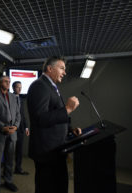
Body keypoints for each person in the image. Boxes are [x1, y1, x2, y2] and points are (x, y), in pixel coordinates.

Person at [27, 56, 81, 193]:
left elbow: (55, 115)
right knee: (47, 187)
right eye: (62, 68)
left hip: (56, 149)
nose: (65, 72)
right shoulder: (40, 86)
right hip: (47, 152)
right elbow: (40, 118)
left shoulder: (51, 86)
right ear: (50, 69)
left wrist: (70, 130)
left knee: (59, 185)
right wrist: (67, 109)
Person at [0, 76, 21, 193]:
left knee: (10, 159)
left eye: (9, 82)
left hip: (12, 133)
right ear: (0, 82)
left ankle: (8, 181)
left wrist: (15, 126)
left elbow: (18, 114)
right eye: (6, 81)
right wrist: (3, 127)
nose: (8, 83)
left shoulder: (13, 96)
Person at [12, 81, 30, 175]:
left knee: (19, 150)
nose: (20, 89)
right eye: (18, 87)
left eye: (21, 87)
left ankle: (18, 168)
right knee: (10, 150)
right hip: (12, 128)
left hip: (21, 128)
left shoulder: (21, 99)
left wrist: (26, 127)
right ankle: (8, 170)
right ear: (13, 88)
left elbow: (23, 115)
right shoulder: (9, 98)